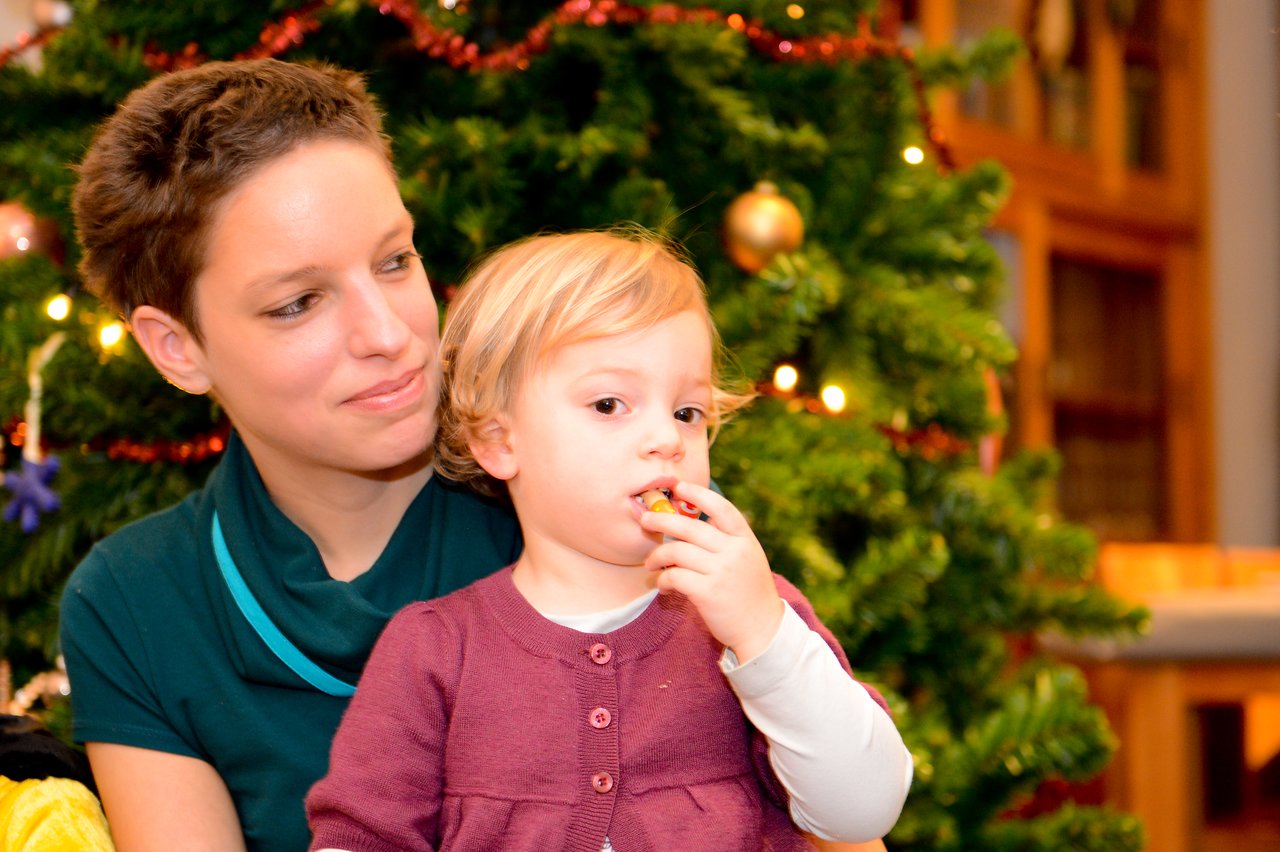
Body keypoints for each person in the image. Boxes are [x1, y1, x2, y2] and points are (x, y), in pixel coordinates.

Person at [306, 230, 913, 851]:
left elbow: (861, 813)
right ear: (498, 441)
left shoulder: (752, 617)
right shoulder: (433, 649)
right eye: (608, 403)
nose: (666, 439)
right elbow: (360, 836)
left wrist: (765, 636)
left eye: (687, 412)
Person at [59, 58, 521, 851]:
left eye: (395, 261)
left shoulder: (591, 487)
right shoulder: (134, 602)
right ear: (177, 349)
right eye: (298, 303)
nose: (388, 334)